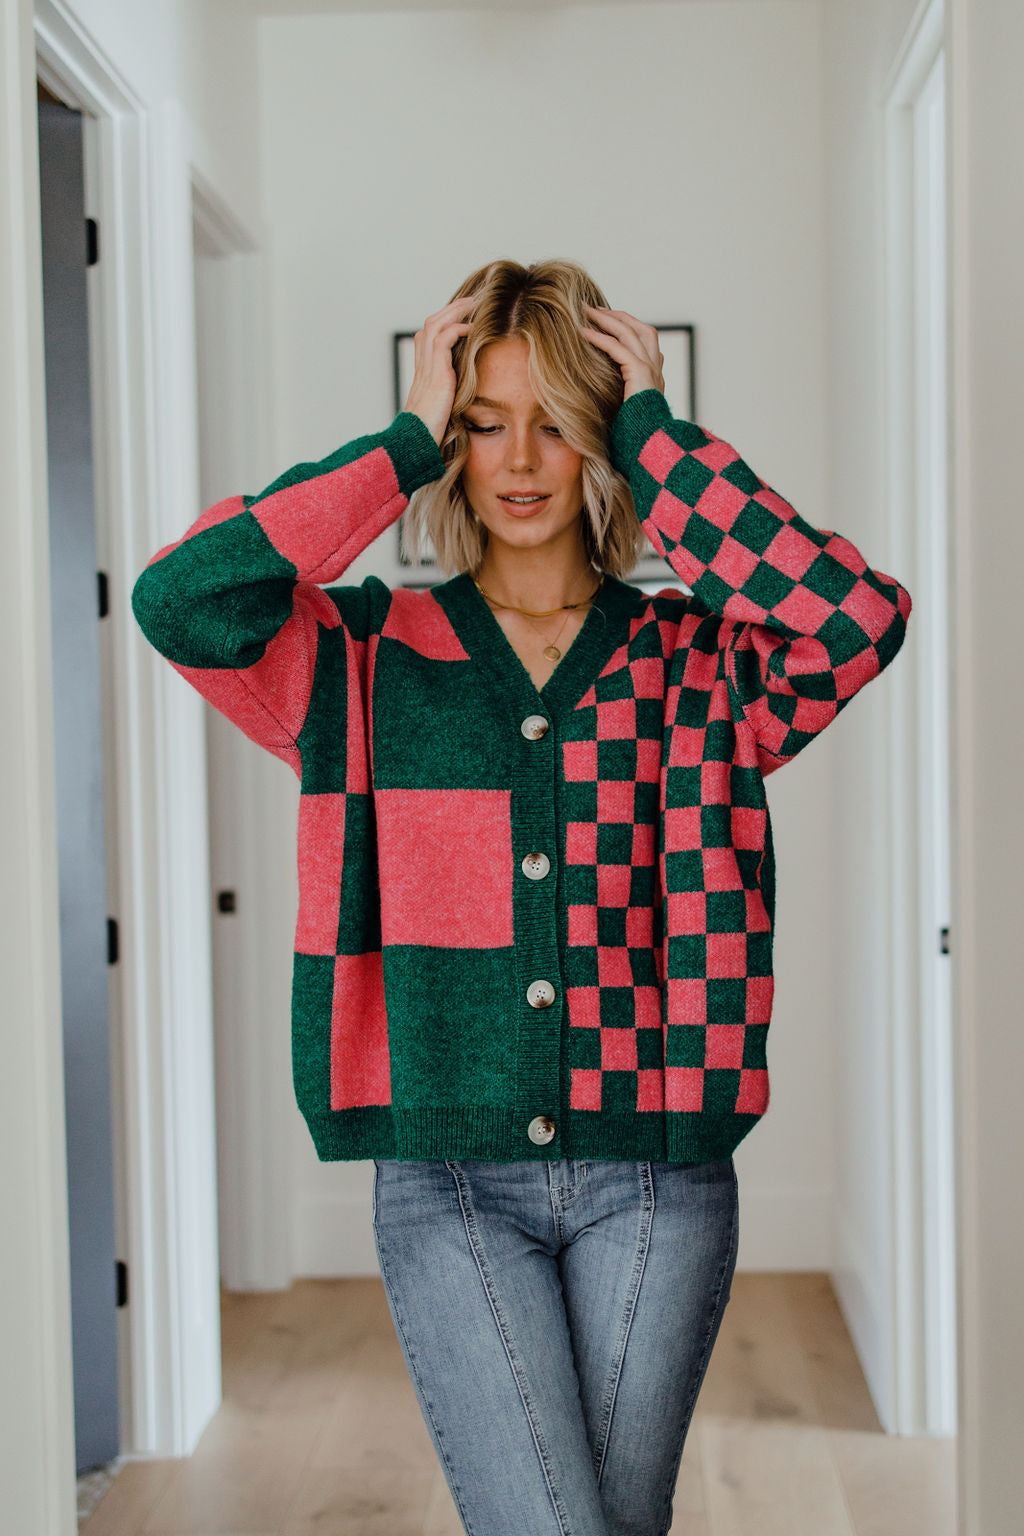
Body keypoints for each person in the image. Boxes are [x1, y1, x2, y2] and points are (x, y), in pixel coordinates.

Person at [131, 258, 911, 1536]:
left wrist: (660, 441)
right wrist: (396, 443)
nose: (521, 461)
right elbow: (180, 598)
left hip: (656, 1168)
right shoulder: (360, 658)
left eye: (556, 421)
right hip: (445, 1179)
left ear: (598, 438)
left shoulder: (699, 663)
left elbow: (855, 619)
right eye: (484, 422)